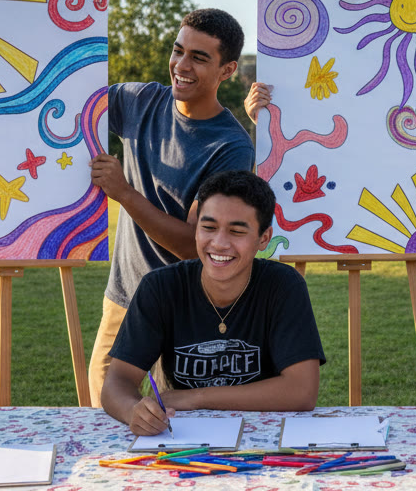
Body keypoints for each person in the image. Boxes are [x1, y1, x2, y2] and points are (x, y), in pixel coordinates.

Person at [88, 9, 255, 407]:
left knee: (179, 435)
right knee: (105, 423)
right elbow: (70, 99)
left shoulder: (231, 146)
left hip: (187, 311)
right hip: (124, 299)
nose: (181, 65)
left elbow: (191, 243)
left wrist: (124, 193)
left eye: (199, 57)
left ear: (227, 69)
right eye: (178, 51)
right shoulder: (138, 101)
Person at [100, 170, 324, 434]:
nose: (219, 243)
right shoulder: (160, 287)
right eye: (208, 227)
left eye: (237, 231)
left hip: (265, 435)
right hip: (179, 436)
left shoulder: (283, 285)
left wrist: (196, 398)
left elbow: (302, 391)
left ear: (264, 238)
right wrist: (132, 411)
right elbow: (117, 382)